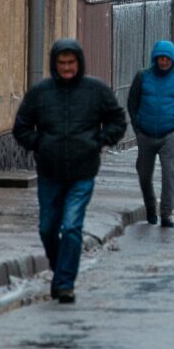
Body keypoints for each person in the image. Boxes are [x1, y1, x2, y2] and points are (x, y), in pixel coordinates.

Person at [12, 39, 127, 303]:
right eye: (61, 63)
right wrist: (40, 143)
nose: (66, 68)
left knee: (72, 226)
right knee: (47, 228)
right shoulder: (41, 93)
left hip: (82, 171)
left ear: (79, 63)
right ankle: (59, 267)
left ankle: (65, 283)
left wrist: (98, 141)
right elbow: (21, 127)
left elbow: (117, 120)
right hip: (49, 171)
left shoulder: (95, 90)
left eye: (71, 63)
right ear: (54, 64)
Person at [127, 40, 174, 228]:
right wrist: (137, 128)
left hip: (168, 135)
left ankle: (166, 214)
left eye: (167, 59)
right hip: (145, 134)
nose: (164, 62)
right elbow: (132, 104)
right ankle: (150, 207)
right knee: (144, 174)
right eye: (160, 58)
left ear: (172, 60)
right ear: (155, 59)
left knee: (168, 175)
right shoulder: (143, 77)